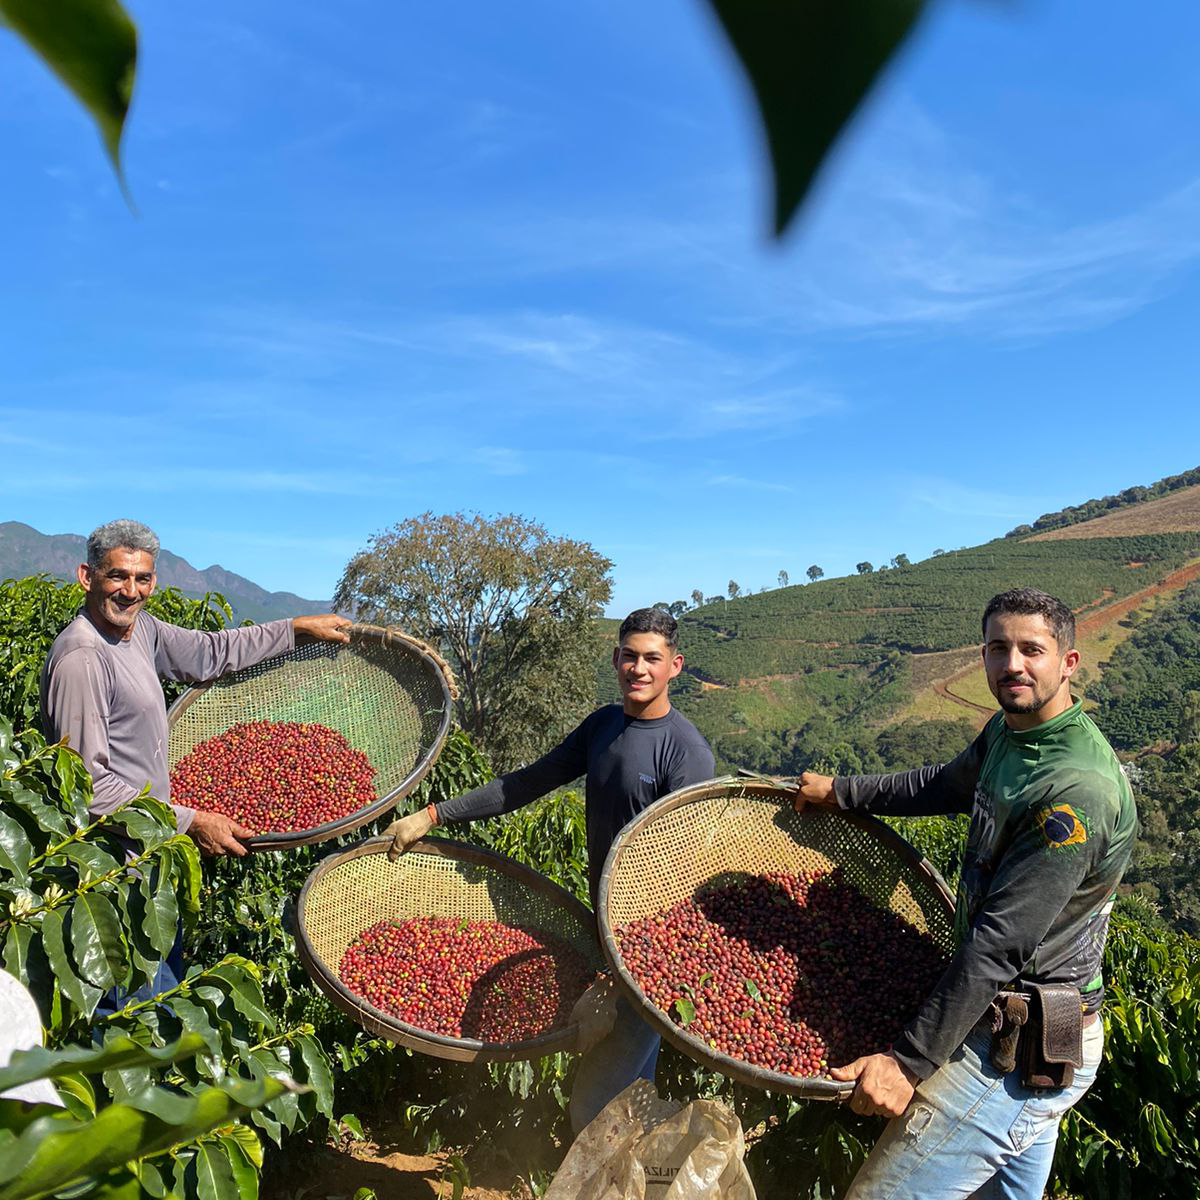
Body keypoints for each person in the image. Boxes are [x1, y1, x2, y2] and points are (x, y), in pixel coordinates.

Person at [791, 587, 1136, 1200]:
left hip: (1012, 1046)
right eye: (999, 648)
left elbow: (1000, 944)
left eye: (1033, 649)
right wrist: (843, 792)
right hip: (1013, 1024)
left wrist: (907, 1063)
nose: (1013, 665)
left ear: (1069, 663)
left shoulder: (1073, 790)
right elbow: (943, 785)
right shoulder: (1009, 734)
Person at [384, 606, 715, 1132]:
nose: (639, 669)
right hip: (607, 930)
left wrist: (627, 963)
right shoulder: (603, 727)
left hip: (648, 946)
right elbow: (525, 784)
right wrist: (433, 814)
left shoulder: (687, 753)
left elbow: (682, 872)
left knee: (595, 1102)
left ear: (675, 666)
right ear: (615, 658)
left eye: (652, 658)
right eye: (629, 656)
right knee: (628, 1093)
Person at [41, 518, 352, 858]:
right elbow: (89, 789)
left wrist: (294, 629)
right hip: (109, 868)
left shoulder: (141, 628)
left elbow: (210, 652)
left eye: (141, 579)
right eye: (117, 576)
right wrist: (190, 821)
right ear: (87, 577)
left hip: (151, 849)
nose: (131, 592)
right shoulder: (83, 658)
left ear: (153, 582)